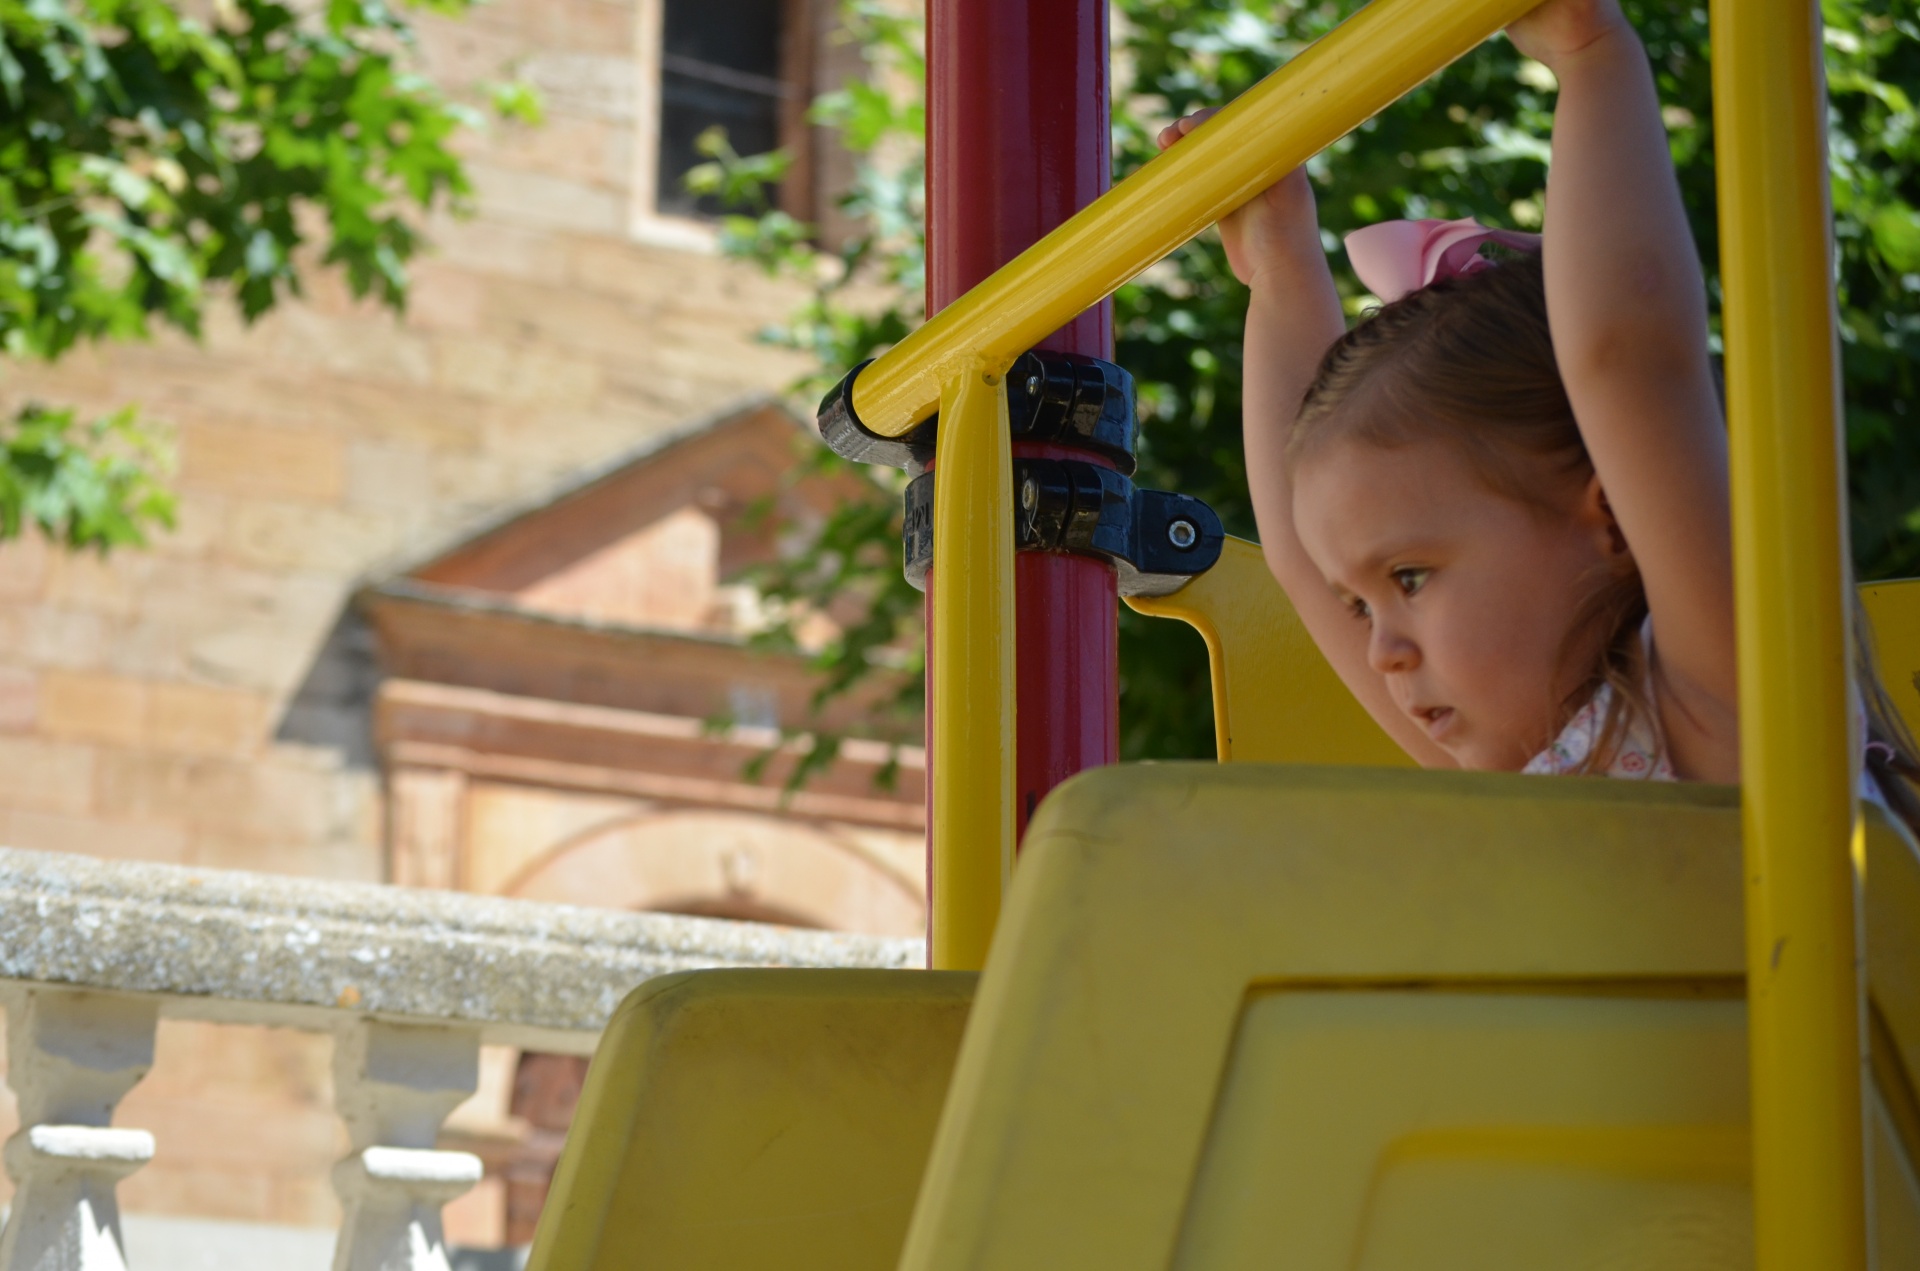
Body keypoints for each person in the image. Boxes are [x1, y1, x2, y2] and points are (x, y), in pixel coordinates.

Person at [1157, 0, 1920, 814]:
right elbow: (1302, 565)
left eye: (1409, 577)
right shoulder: (1530, 782)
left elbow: (1629, 363)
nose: (1380, 652)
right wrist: (1277, 268)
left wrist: (1590, 52)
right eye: (1362, 604)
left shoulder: (1729, 712)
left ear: (1615, 522)